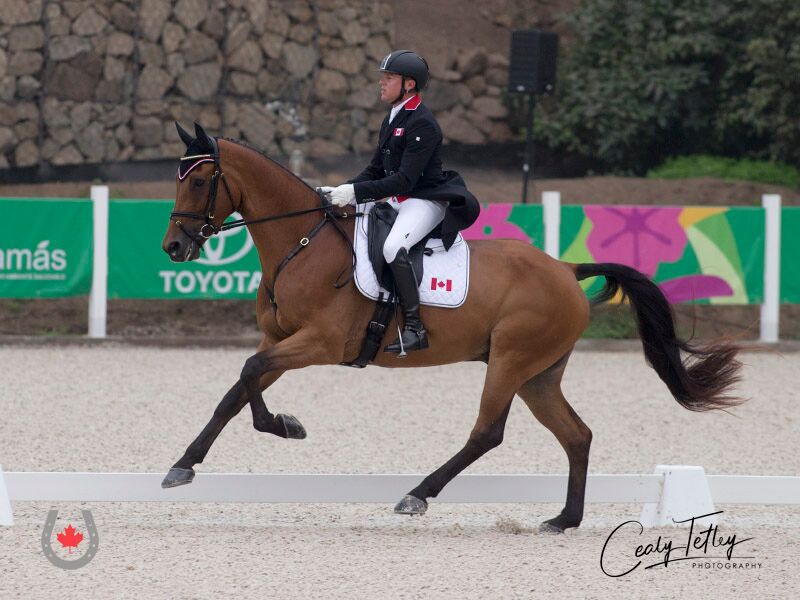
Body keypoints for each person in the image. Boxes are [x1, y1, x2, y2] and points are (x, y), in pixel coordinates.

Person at [322, 50, 480, 356]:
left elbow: (405, 180)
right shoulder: (392, 118)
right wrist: (341, 190)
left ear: (409, 84)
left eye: (389, 78)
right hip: (398, 200)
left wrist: (355, 193)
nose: (382, 83)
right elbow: (375, 170)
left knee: (393, 247)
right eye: (383, 77)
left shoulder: (423, 124)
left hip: (424, 200)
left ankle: (415, 328)